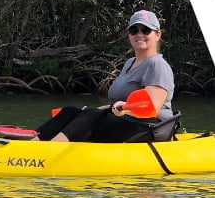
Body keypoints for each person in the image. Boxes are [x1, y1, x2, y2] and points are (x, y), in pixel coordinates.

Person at [35, 9, 176, 143]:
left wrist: (120, 109)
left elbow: (151, 108)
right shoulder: (129, 63)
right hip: (127, 122)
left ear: (158, 35)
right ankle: (33, 144)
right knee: (70, 112)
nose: (139, 34)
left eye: (145, 30)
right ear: (129, 35)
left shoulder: (157, 65)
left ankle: (48, 153)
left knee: (90, 117)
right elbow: (117, 105)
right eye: (134, 30)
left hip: (149, 128)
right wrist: (96, 109)